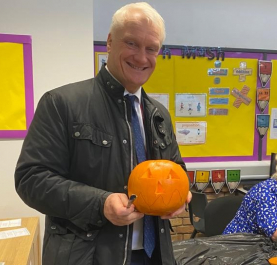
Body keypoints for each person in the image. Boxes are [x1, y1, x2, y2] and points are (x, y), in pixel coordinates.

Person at [14, 2, 191, 265]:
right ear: (110, 42)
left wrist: (181, 195)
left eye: (151, 48)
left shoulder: (159, 113)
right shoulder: (61, 103)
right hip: (88, 256)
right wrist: (101, 203)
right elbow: (31, 180)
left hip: (156, 255)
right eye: (131, 43)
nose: (142, 58)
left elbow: (176, 168)